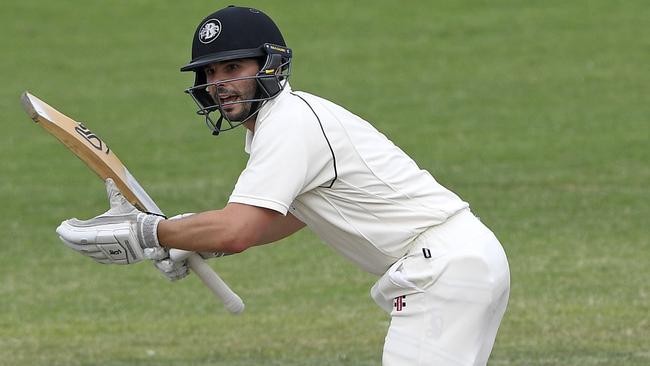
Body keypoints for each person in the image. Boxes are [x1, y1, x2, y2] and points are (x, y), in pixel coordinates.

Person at [56, 5, 510, 366]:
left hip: (443, 270)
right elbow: (288, 216)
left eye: (232, 67)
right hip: (463, 261)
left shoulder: (289, 124)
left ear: (270, 65)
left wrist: (148, 234)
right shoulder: (283, 123)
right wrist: (189, 237)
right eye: (211, 73)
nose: (220, 85)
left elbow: (240, 230)